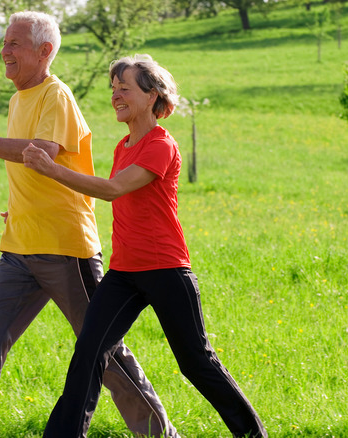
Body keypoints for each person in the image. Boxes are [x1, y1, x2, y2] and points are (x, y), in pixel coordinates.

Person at [0, 12, 178, 438]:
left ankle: (160, 435)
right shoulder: (18, 99)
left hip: (66, 249)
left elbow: (42, 151)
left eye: (14, 44)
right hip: (18, 248)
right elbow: (32, 171)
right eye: (5, 43)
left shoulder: (57, 95)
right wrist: (21, 208)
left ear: (44, 51)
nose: (4, 52)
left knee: (104, 352)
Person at [22, 54, 268, 438]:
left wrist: (51, 168)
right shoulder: (124, 146)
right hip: (124, 273)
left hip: (166, 270)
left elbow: (113, 189)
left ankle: (253, 434)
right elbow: (102, 192)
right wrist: (30, 212)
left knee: (195, 362)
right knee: (89, 353)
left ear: (153, 95)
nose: (116, 95)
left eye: (126, 88)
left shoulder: (160, 145)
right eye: (113, 88)